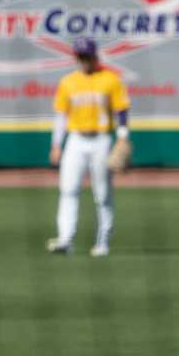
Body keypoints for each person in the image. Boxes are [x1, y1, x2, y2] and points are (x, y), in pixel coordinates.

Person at [46, 37, 130, 259]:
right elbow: (61, 115)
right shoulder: (68, 82)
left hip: (101, 140)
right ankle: (65, 239)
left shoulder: (110, 79)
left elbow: (121, 109)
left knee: (102, 194)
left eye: (86, 56)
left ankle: (102, 242)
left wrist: (122, 137)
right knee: (68, 190)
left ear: (95, 56)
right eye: (80, 57)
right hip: (75, 140)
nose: (83, 60)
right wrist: (56, 144)